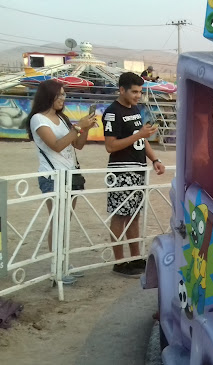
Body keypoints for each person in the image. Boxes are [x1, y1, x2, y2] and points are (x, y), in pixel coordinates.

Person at [22, 80, 97, 284]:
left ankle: (64, 264)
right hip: (52, 177)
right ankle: (57, 268)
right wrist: (78, 127)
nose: (63, 99)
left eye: (64, 95)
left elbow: (78, 145)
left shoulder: (62, 119)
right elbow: (55, 145)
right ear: (48, 96)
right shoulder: (38, 120)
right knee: (57, 222)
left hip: (70, 176)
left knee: (65, 222)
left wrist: (86, 128)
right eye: (59, 95)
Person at [103, 72, 165, 277]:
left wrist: (154, 159)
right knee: (120, 215)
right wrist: (138, 134)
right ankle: (120, 262)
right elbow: (110, 146)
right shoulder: (112, 112)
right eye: (135, 91)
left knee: (134, 215)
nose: (139, 95)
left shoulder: (136, 109)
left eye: (140, 91)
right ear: (122, 90)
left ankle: (135, 258)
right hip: (121, 170)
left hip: (138, 168)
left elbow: (142, 139)